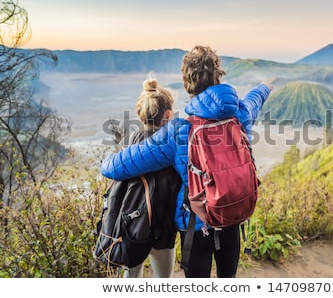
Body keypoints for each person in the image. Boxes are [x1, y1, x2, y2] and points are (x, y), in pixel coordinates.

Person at [101, 45, 273, 277]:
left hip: (197, 224)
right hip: (233, 215)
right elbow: (254, 100)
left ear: (187, 83)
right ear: (217, 76)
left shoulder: (180, 130)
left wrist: (106, 162)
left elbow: (125, 163)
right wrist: (265, 87)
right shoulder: (239, 116)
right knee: (228, 277)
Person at [121, 75, 181, 278]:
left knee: (130, 278)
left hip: (131, 226)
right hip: (162, 230)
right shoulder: (171, 148)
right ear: (168, 115)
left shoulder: (130, 144)